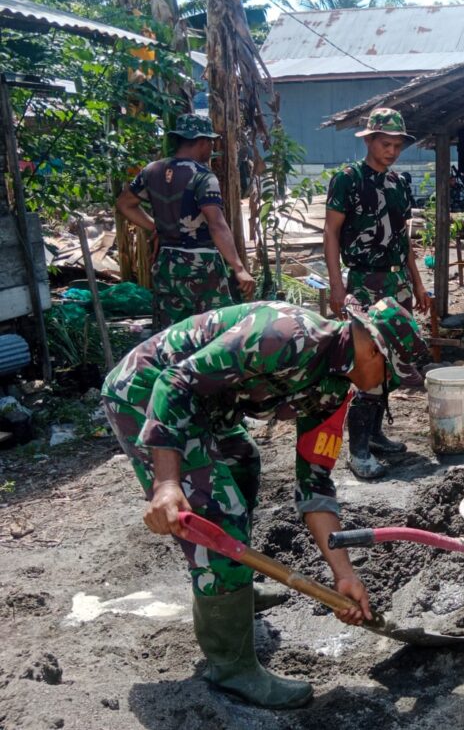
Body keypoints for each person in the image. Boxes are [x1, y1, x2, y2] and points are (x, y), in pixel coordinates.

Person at [101, 298, 424, 709]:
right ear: (375, 351)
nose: (384, 388)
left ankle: (234, 587)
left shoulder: (332, 388)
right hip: (146, 392)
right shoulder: (285, 334)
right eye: (389, 378)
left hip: (206, 408)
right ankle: (231, 667)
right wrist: (166, 482)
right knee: (219, 509)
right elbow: (176, 382)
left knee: (243, 462)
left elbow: (315, 486)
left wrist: (344, 575)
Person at [324, 107, 430, 479]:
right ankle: (357, 449)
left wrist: (417, 282)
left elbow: (403, 238)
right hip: (364, 282)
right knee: (368, 361)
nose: (392, 151)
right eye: (386, 144)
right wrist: (337, 286)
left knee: (393, 361)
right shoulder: (347, 180)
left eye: (398, 145)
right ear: (368, 140)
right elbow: (332, 234)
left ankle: (375, 435)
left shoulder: (400, 182)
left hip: (396, 281)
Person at [116, 114, 255, 330]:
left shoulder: (151, 170)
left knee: (170, 334)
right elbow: (216, 224)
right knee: (212, 330)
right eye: (210, 142)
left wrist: (156, 227)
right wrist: (238, 267)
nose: (211, 148)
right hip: (201, 266)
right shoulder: (202, 176)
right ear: (201, 142)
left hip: (166, 263)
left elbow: (124, 204)